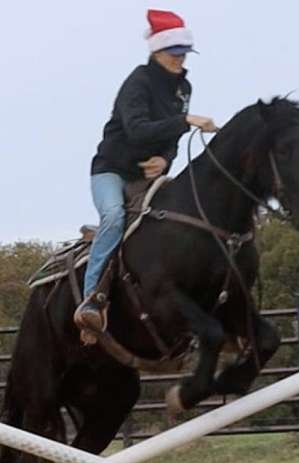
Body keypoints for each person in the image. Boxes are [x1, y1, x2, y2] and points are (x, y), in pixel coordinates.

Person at [75, 9, 218, 333]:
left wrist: (166, 160)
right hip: (110, 171)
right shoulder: (136, 83)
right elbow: (137, 130)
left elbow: (171, 138)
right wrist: (185, 120)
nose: (180, 60)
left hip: (147, 177)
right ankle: (91, 299)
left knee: (175, 222)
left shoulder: (184, 89)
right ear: (157, 51)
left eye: (183, 54)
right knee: (113, 216)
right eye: (174, 53)